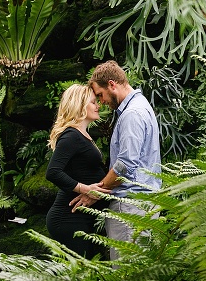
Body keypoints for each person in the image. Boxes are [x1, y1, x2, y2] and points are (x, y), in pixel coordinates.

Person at [70, 60, 162, 260]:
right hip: (144, 204)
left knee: (126, 275)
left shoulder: (131, 114)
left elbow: (125, 165)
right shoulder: (142, 104)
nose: (101, 102)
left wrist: (96, 192)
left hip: (131, 206)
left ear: (112, 84)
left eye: (100, 95)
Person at [45, 84, 111, 258]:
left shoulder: (83, 135)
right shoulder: (71, 136)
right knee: (81, 275)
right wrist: (85, 189)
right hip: (68, 218)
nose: (98, 106)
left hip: (81, 217)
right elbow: (53, 172)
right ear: (79, 106)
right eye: (93, 102)